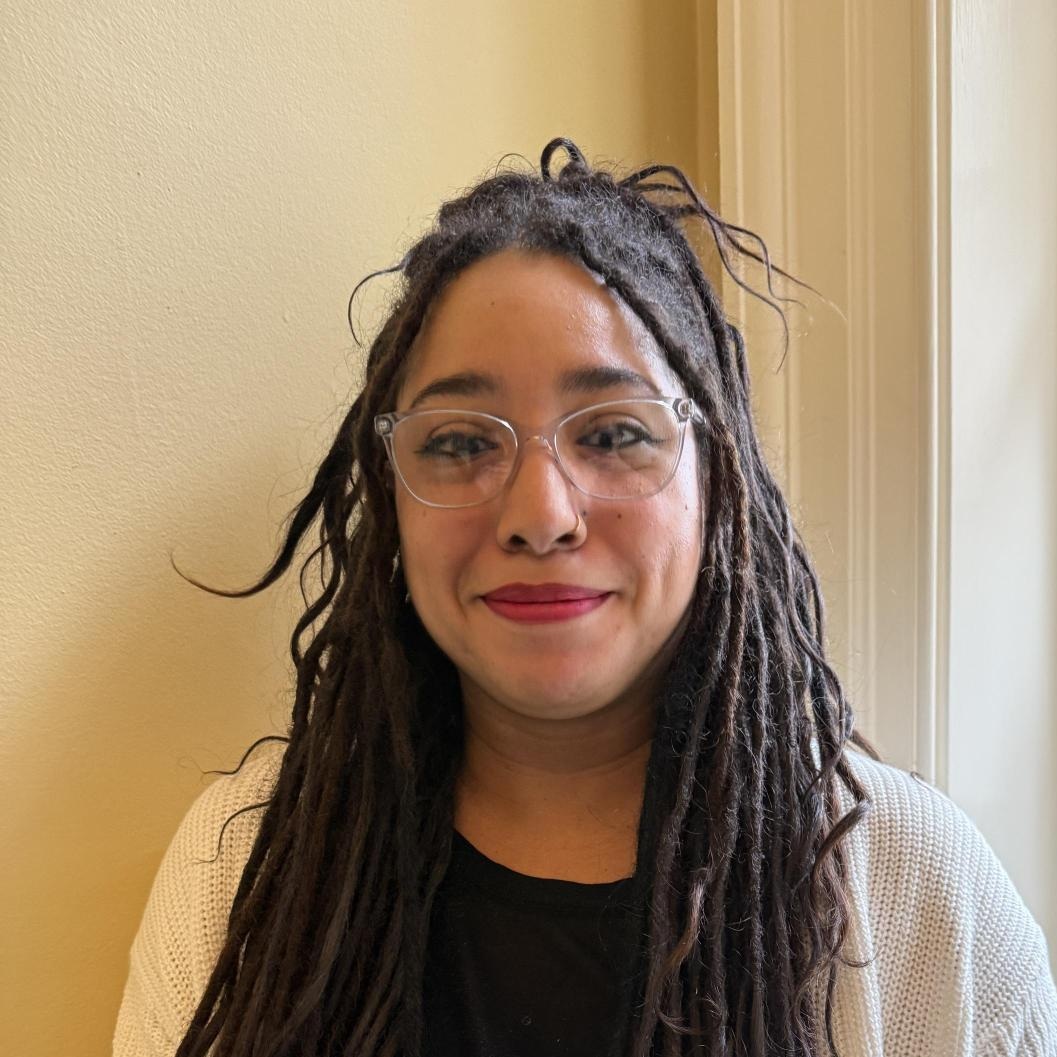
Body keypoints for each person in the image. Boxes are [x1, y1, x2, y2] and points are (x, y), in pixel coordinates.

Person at [113, 138, 1057, 1057]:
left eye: (612, 433)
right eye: (459, 441)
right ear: (393, 493)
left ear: (715, 480)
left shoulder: (917, 892)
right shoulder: (241, 871)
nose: (540, 514)